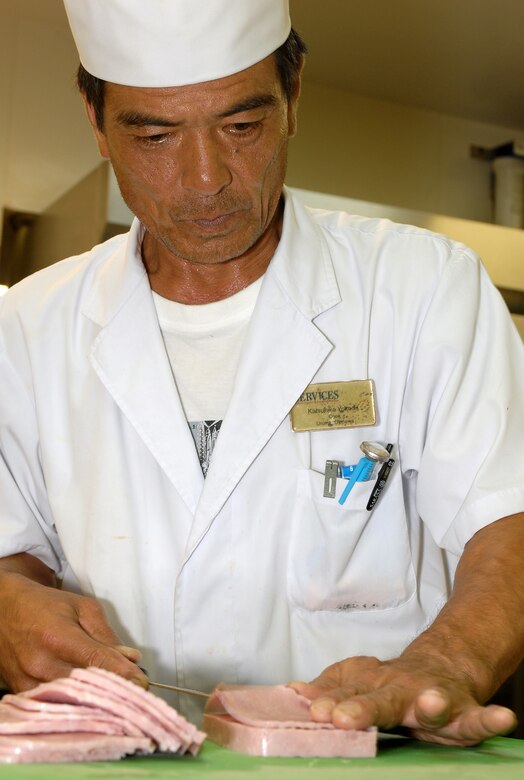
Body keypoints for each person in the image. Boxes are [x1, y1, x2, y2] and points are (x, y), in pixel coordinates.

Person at [0, 0, 523, 747]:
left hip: (365, 758)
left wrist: (447, 660)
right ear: (97, 122)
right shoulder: (27, 327)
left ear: (293, 94)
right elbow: (12, 550)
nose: (206, 179)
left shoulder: (423, 288)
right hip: (119, 759)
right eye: (155, 137)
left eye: (242, 126)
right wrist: (9, 607)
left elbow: (508, 517)